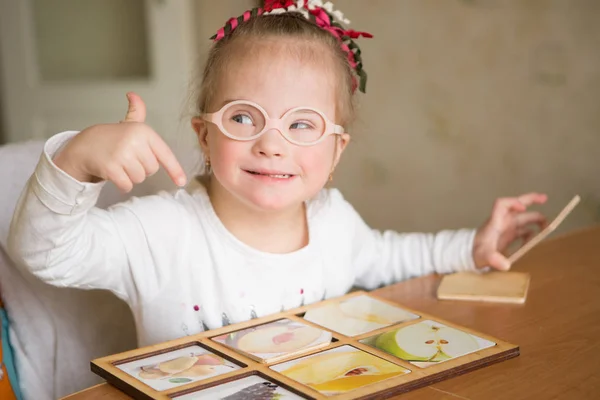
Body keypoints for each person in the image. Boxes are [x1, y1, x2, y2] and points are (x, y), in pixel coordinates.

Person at [7, 0, 547, 347]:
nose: (271, 144)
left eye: (302, 124)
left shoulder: (335, 225)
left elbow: (393, 256)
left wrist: (472, 248)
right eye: (243, 117)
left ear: (335, 153)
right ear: (203, 135)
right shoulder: (160, 233)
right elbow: (44, 255)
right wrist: (76, 159)